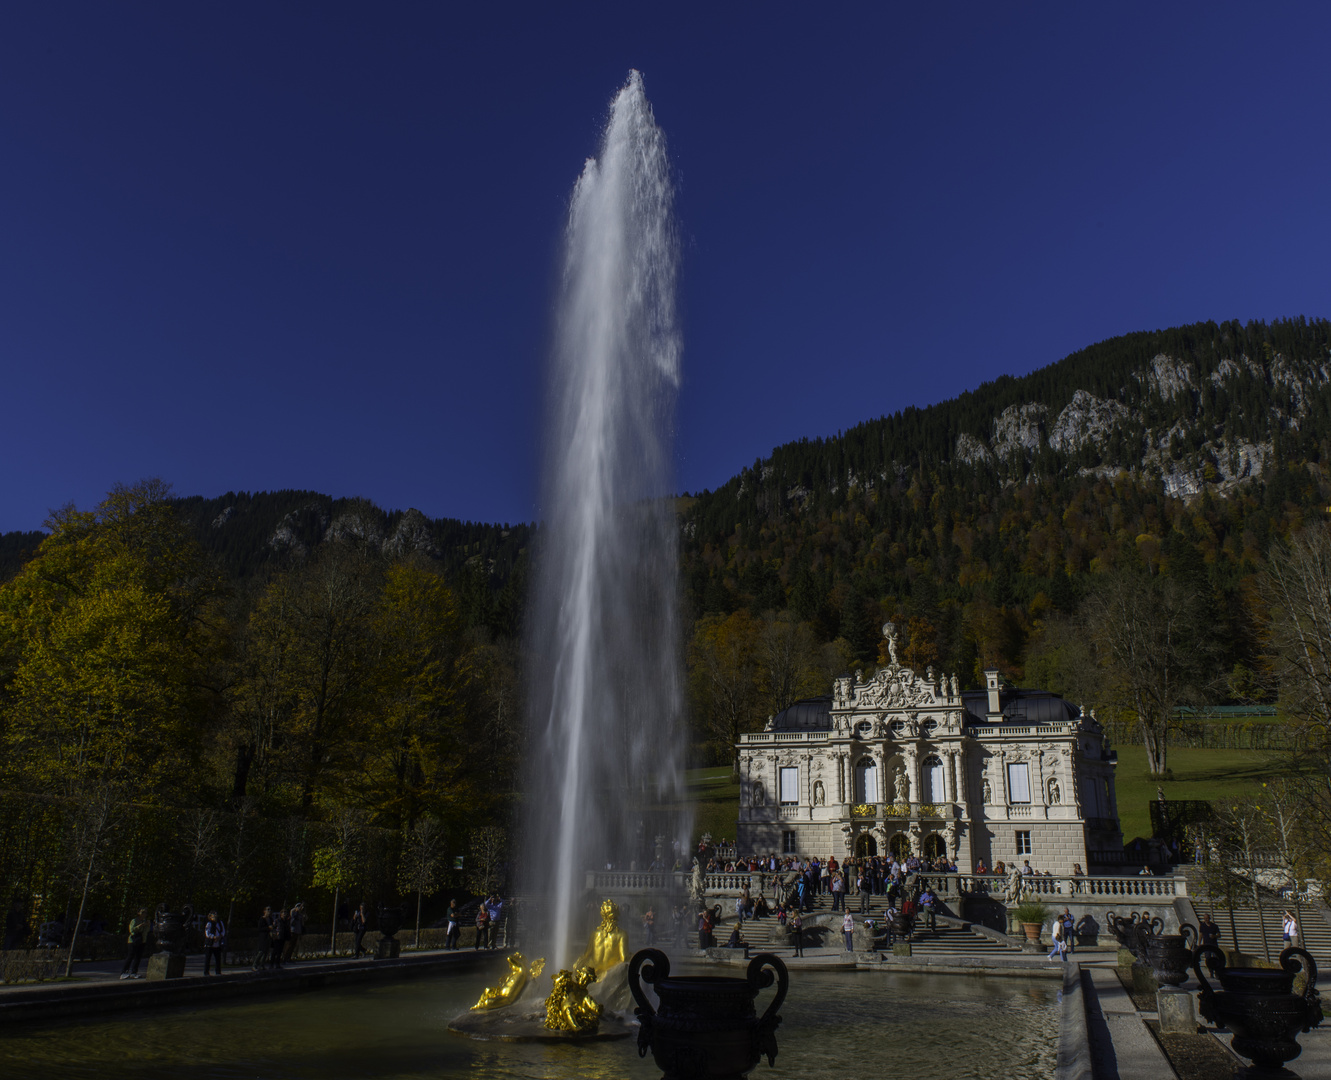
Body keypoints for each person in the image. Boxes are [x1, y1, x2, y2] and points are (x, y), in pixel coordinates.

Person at [119, 908, 149, 980]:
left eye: (145, 913)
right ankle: (124, 972)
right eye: (142, 912)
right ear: (139, 913)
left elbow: (146, 931)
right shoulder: (134, 920)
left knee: (138, 957)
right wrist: (140, 926)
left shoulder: (146, 921)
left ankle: (134, 972)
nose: (144, 914)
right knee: (130, 956)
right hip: (133, 940)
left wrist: (147, 926)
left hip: (142, 940)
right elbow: (132, 930)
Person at [203, 910, 226, 975]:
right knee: (208, 959)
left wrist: (219, 937)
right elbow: (207, 933)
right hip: (210, 944)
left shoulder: (220, 923)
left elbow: (223, 931)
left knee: (218, 959)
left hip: (218, 944)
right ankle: (206, 972)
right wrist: (213, 937)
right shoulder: (209, 924)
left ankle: (218, 971)